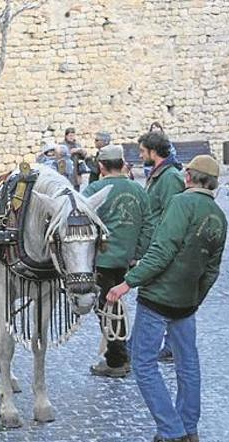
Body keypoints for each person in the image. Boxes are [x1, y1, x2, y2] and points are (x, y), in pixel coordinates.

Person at [107, 155, 227, 442]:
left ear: (188, 176)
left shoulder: (181, 204)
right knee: (188, 364)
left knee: (143, 363)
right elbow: (212, 270)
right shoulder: (218, 215)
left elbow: (162, 251)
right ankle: (189, 431)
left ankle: (173, 435)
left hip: (159, 297)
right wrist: (194, 299)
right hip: (186, 300)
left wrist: (127, 283)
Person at [83, 145, 152, 378]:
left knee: (107, 308)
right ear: (122, 163)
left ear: (101, 166)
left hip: (101, 259)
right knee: (115, 305)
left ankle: (117, 360)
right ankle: (118, 355)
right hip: (125, 259)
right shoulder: (138, 190)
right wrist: (136, 253)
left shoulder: (94, 189)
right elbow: (149, 224)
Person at [138, 131, 185, 362]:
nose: (140, 154)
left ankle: (172, 345)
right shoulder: (160, 174)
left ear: (153, 152)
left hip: (163, 246)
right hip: (154, 244)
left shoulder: (170, 177)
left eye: (142, 150)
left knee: (164, 297)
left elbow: (172, 215)